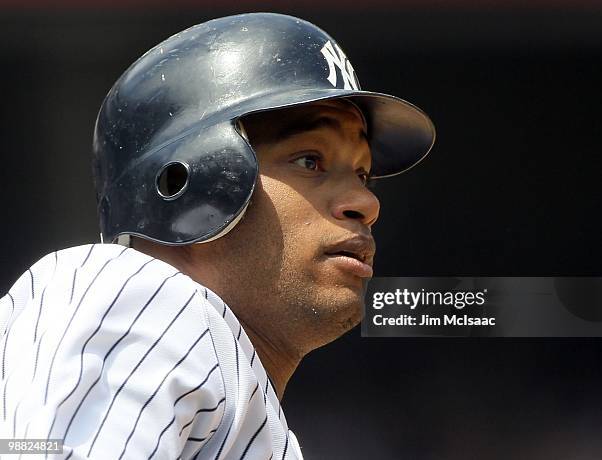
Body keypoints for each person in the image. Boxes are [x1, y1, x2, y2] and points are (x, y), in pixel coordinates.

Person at [0, 12, 435, 459]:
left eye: (362, 173)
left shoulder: (240, 400)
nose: (367, 202)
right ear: (188, 181)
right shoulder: (132, 294)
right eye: (310, 160)